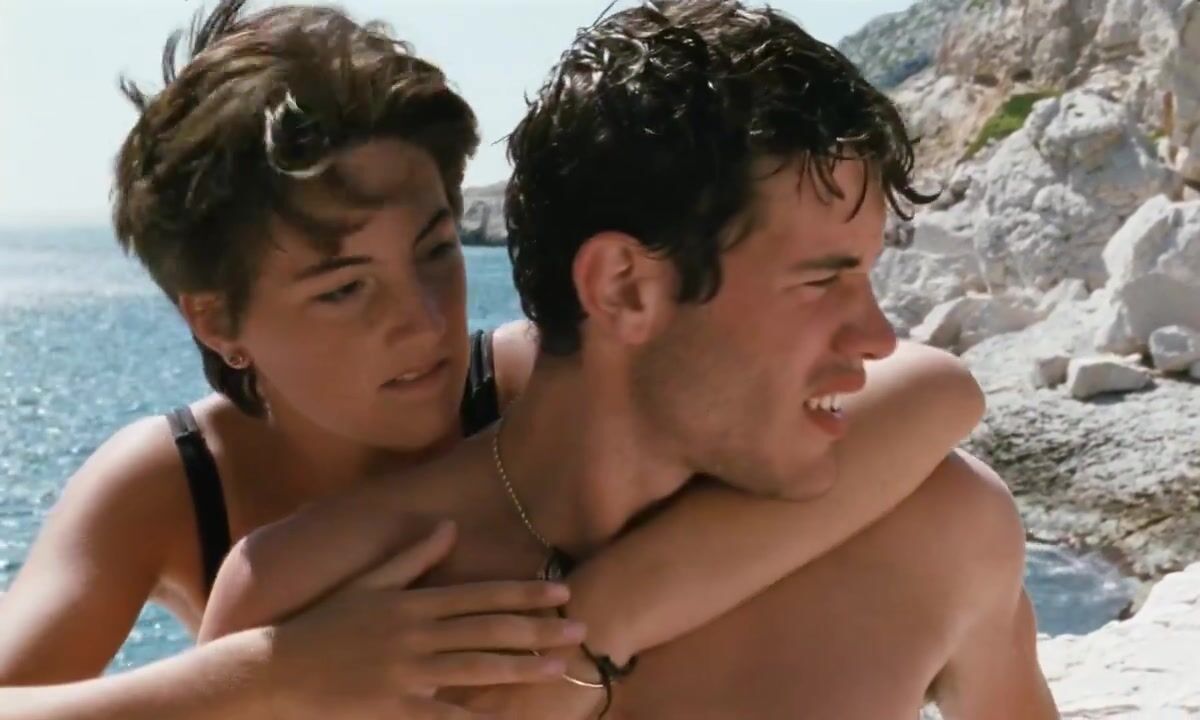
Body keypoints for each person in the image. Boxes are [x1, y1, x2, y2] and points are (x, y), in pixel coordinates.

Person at [1, 1, 988, 718]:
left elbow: (931, 392)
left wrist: (599, 620)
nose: (424, 320)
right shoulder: (176, 486)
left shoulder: (526, 384)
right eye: (344, 288)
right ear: (219, 322)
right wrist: (269, 668)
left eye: (436, 250)